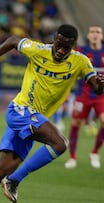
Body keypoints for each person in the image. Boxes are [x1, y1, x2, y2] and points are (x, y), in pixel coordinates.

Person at [0, 24, 104, 203]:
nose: (61, 50)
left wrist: (100, 84)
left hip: (34, 121)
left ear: (73, 47)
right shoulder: (38, 50)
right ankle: (14, 179)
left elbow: (96, 87)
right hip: (20, 111)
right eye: (58, 44)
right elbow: (13, 41)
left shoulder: (81, 61)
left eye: (66, 48)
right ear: (54, 39)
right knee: (60, 144)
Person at [64, 25, 104, 169]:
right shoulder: (81, 52)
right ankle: (72, 157)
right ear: (88, 35)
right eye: (92, 31)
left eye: (97, 32)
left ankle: (94, 152)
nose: (95, 34)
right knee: (75, 124)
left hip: (101, 96)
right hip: (83, 95)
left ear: (101, 36)